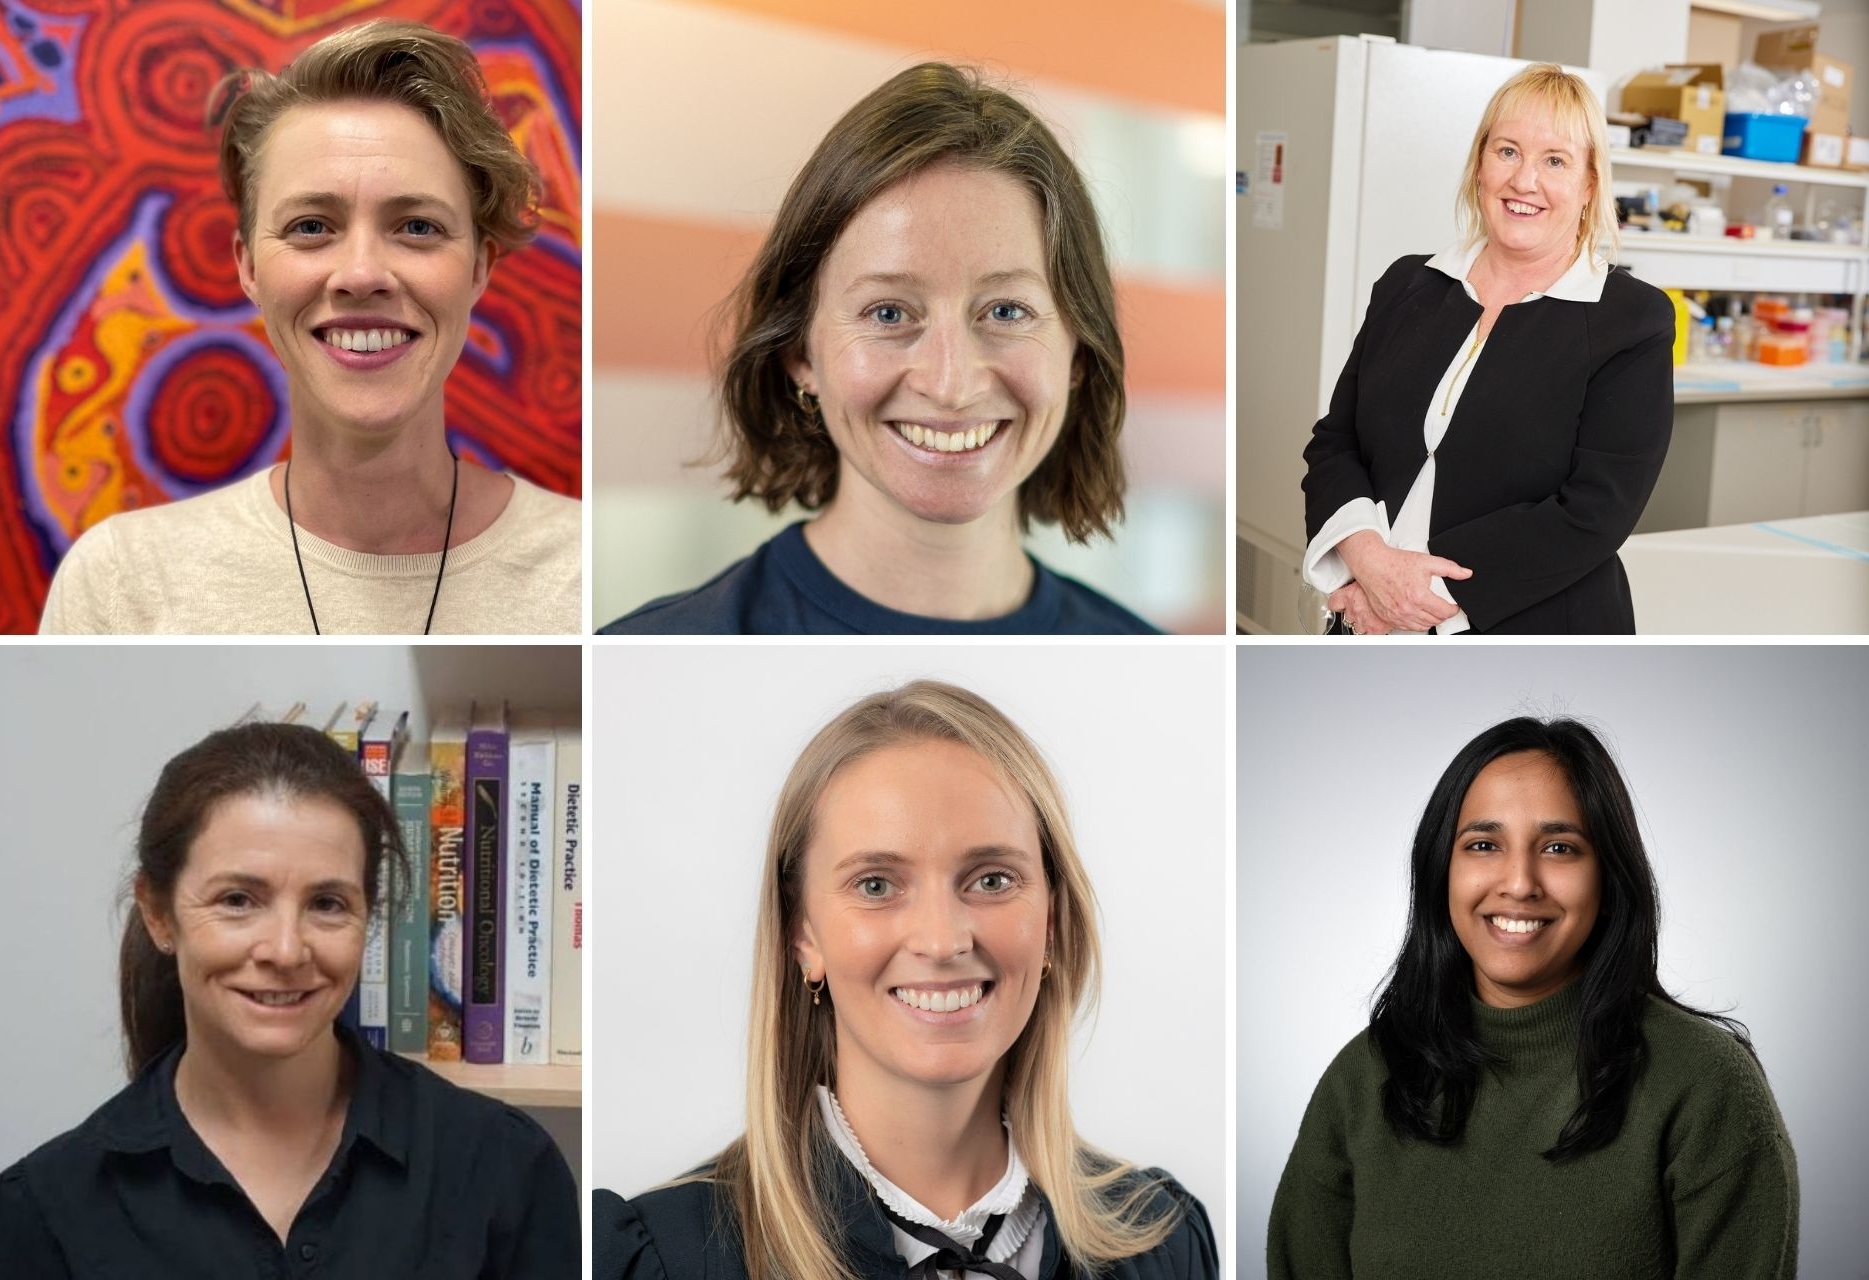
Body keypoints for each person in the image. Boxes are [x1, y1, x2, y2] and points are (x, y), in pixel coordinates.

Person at [593, 681, 1217, 1277]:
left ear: (1051, 921)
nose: (943, 941)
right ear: (802, 933)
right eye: (876, 885)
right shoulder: (655, 1259)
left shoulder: (1164, 1242)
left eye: (992, 880)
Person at [0, 723, 580, 1277]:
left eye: (327, 904)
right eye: (237, 900)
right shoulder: (37, 1217)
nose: (286, 950)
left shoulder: (505, 1170)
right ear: (157, 913)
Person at [38, 21, 580, 635]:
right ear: (248, 266)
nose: (361, 274)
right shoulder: (122, 585)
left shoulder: (584, 576)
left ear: (478, 267)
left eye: (418, 227)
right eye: (311, 227)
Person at [600, 64, 1157, 635]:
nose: (950, 384)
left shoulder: (1153, 665)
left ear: (1079, 354)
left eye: (1007, 311)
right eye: (888, 313)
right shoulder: (648, 647)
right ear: (800, 352)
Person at [1266, 717, 1797, 1277]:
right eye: (1484, 844)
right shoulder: (1362, 1080)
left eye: (1560, 847)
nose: (1519, 882)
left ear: (1608, 877)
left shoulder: (1705, 1086)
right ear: (1442, 867)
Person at [1300, 64, 1673, 635]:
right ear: (1479, 166)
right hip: (1365, 616)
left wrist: (1413, 597)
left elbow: (1595, 512)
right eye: (1507, 151)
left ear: (1590, 184)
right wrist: (1369, 565)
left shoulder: (1632, 320)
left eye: (1555, 160)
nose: (1525, 181)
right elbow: (1336, 442)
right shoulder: (1406, 285)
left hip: (1530, 635)